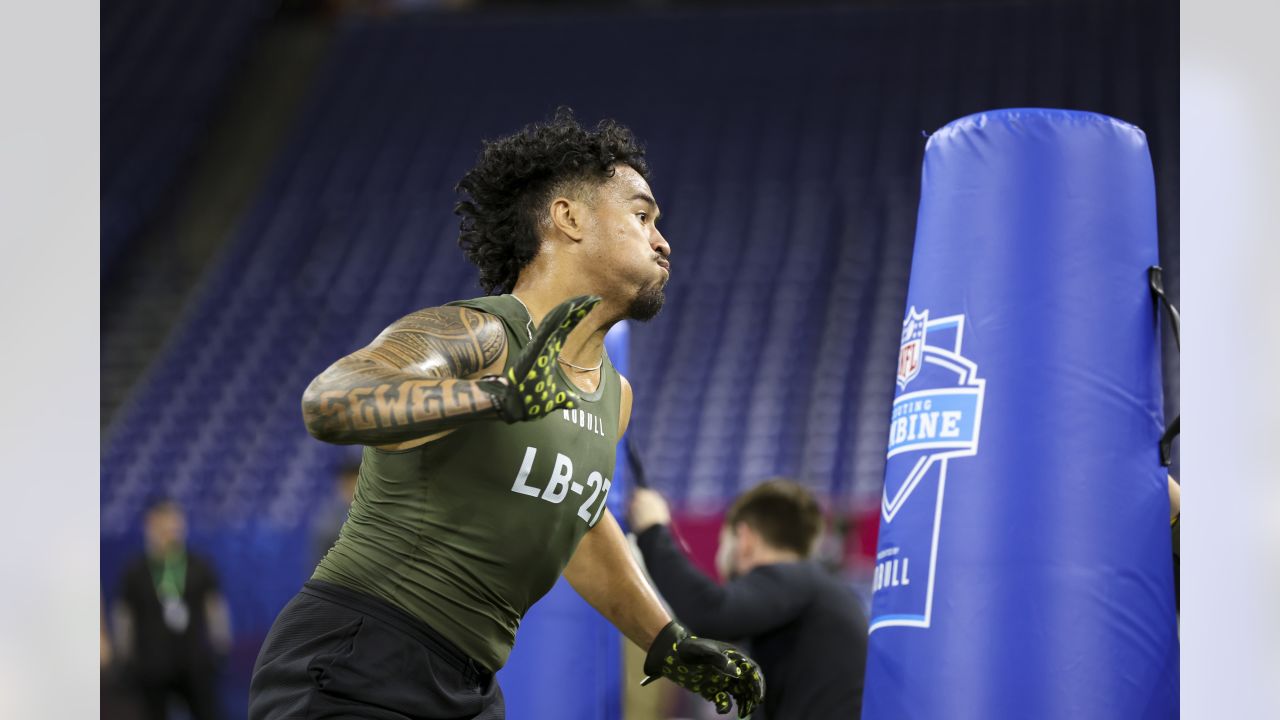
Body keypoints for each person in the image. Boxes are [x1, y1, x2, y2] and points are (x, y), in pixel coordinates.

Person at [248, 109, 764, 719]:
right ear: (568, 218)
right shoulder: (480, 333)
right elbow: (330, 403)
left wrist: (666, 640)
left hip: (471, 685)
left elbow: (578, 524)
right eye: (643, 215)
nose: (662, 240)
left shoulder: (614, 397)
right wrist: (495, 397)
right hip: (359, 655)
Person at [629, 479, 869, 719]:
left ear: (745, 540)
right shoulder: (815, 594)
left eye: (722, 542)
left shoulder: (797, 578)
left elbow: (710, 611)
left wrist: (652, 529)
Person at [113, 498, 232, 720]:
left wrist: (221, 645)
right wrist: (124, 656)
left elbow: (214, 607)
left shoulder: (199, 565)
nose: (170, 534)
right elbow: (124, 616)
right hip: (152, 665)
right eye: (163, 527)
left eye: (174, 527)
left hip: (194, 661)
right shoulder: (135, 571)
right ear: (150, 527)